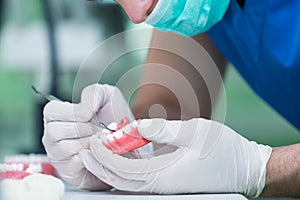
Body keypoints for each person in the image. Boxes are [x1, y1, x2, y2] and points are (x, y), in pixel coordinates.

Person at [42, 0, 300, 198]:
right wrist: (132, 150)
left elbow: (256, 168)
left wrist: (260, 168)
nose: (138, 13)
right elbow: (172, 104)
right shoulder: (198, 9)